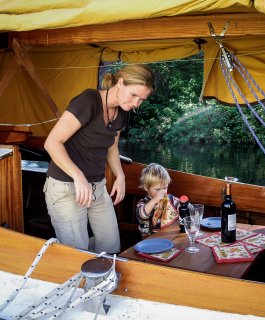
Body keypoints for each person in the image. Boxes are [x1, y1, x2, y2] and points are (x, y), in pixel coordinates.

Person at [43, 64, 155, 254]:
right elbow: (52, 142)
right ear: (120, 83)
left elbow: (111, 146)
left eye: (141, 99)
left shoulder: (122, 111)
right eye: (133, 95)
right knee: (76, 253)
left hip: (97, 186)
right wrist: (79, 177)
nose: (136, 103)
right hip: (65, 187)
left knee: (111, 247)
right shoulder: (88, 101)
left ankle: (93, 268)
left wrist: (120, 175)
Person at [136, 163, 180, 236]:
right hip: (149, 240)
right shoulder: (143, 203)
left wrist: (185, 206)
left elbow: (182, 206)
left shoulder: (171, 199)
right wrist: (154, 200)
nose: (163, 192)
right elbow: (142, 215)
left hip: (169, 236)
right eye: (158, 189)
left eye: (165, 188)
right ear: (146, 187)